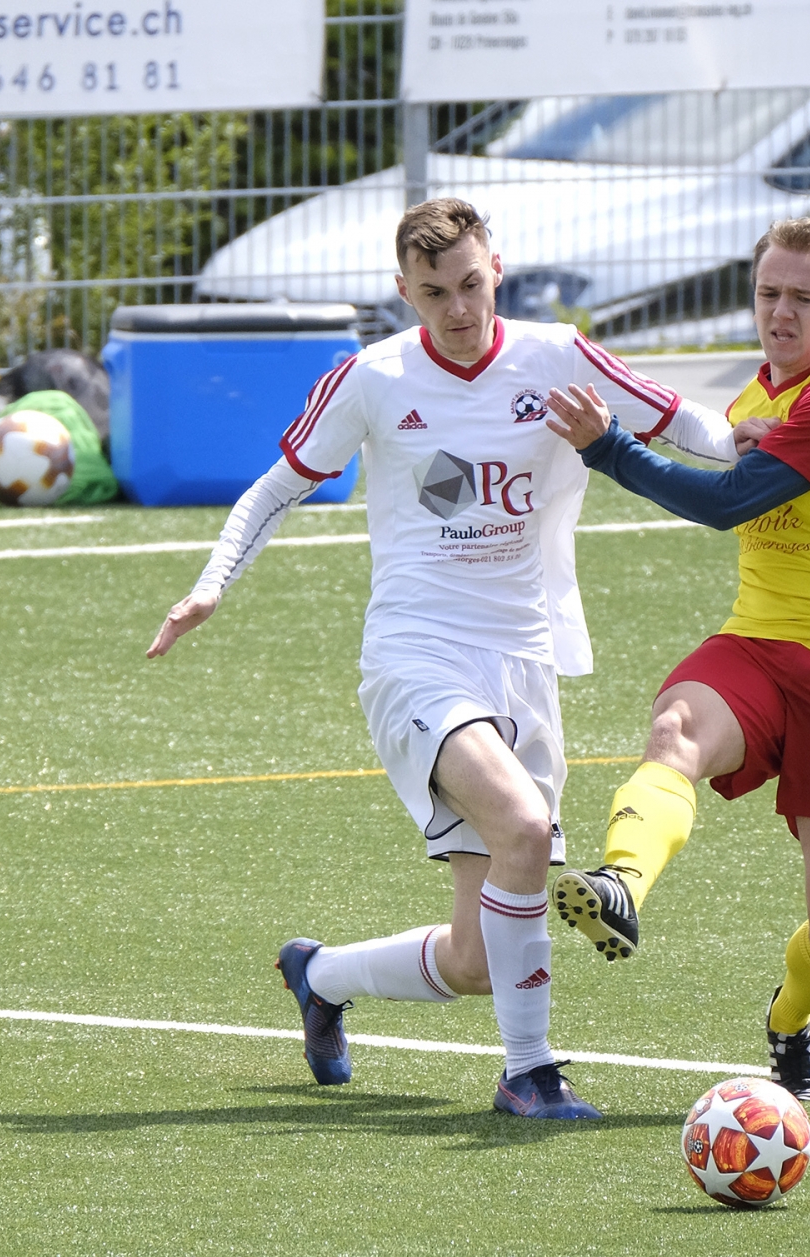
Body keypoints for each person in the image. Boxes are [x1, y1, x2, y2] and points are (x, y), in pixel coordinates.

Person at [146, 197, 747, 1119]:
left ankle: (322, 976)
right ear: (403, 292)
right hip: (415, 656)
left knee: (474, 959)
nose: (458, 309)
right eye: (435, 293)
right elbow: (277, 487)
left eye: (470, 284)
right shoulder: (373, 377)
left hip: (525, 661)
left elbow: (687, 425)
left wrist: (773, 434)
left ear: (495, 269)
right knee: (523, 827)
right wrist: (212, 583)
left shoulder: (555, 354)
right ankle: (530, 1073)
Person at [542, 216, 810, 1102]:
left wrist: (608, 448)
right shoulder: (755, 401)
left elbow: (725, 504)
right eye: (768, 294)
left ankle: (789, 1021)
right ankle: (621, 884)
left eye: (804, 298)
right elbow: (724, 467)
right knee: (674, 726)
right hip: (757, 645)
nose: (781, 313)